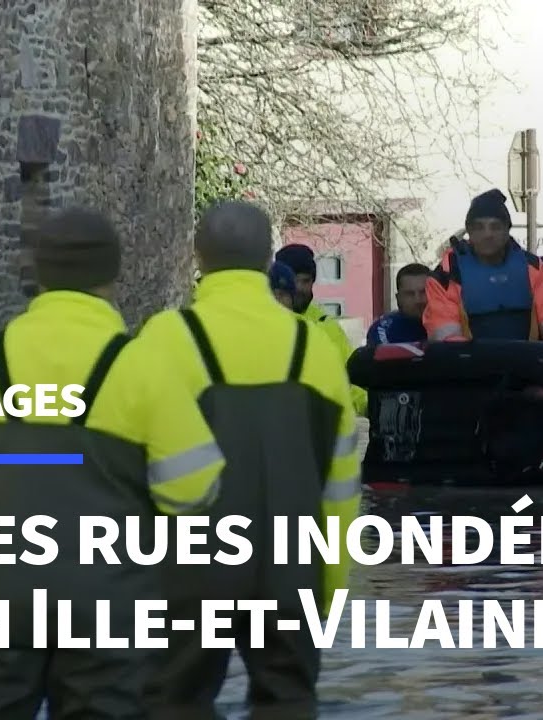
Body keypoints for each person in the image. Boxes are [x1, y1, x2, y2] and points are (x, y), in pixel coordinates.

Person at [0, 207, 225, 718]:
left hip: (0, 594)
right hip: (109, 600)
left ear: (40, 275)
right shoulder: (140, 366)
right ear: (112, 276)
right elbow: (194, 485)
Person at [137, 200, 362, 718]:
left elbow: (124, 473)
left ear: (198, 256)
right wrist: (325, 587)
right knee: (288, 703)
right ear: (268, 259)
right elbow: (341, 488)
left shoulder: (163, 340)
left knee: (173, 703)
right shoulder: (314, 348)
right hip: (290, 571)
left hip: (190, 577)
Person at [424, 189, 543, 357]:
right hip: (469, 373)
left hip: (527, 369)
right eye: (479, 227)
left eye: (495, 227)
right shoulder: (447, 274)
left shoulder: (533, 268)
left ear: (507, 230)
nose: (488, 234)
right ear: (469, 232)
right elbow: (446, 340)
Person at [274, 242, 368, 415]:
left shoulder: (326, 325)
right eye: (294, 280)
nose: (300, 288)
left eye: (306, 281)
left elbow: (349, 380)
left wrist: (370, 406)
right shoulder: (262, 320)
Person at [365, 262, 430, 345]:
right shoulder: (383, 330)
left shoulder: (449, 325)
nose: (418, 300)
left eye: (423, 292)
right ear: (398, 298)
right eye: (409, 294)